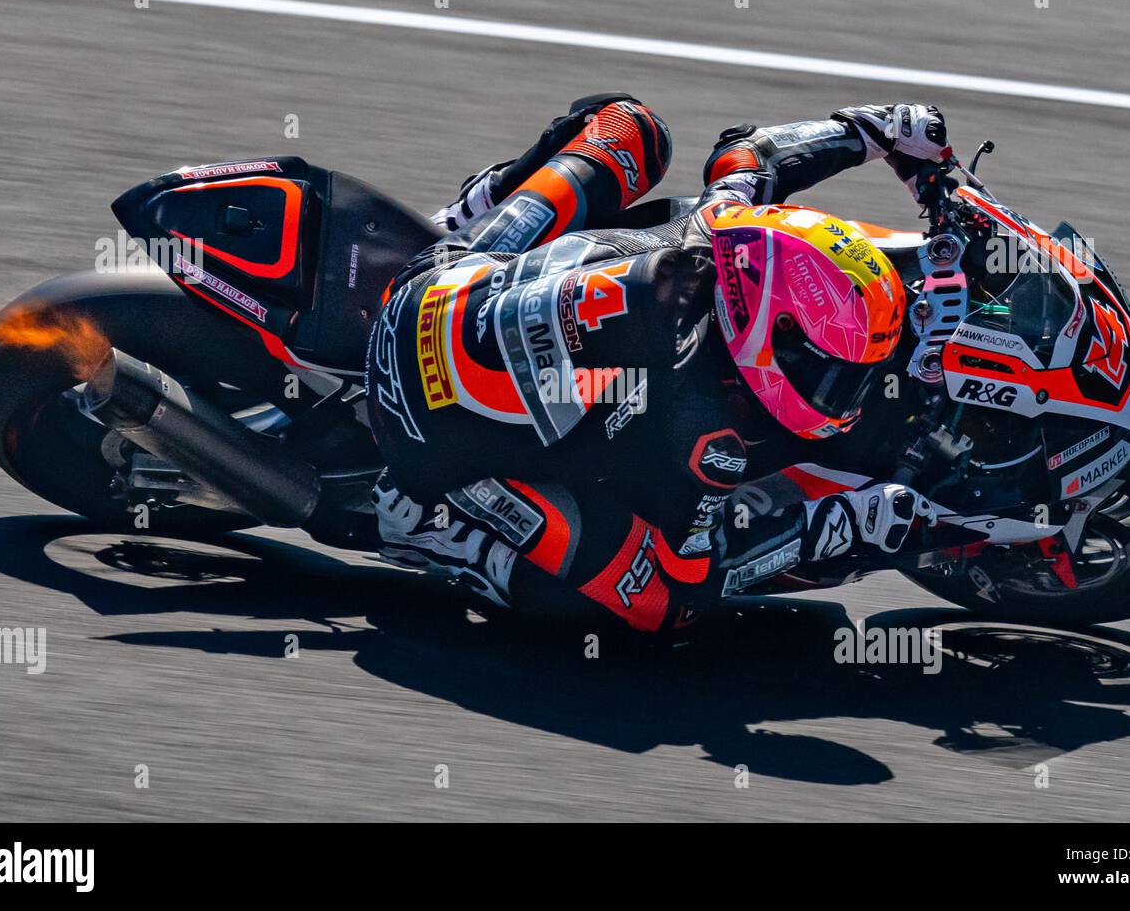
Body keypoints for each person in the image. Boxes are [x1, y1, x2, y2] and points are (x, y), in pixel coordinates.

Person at [364, 94, 944, 633]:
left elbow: (749, 152)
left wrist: (874, 128)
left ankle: (468, 213)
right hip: (420, 438)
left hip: (429, 283)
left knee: (627, 126)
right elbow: (699, 573)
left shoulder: (720, 224)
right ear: (776, 330)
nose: (842, 391)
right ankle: (438, 533)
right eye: (832, 370)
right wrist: (834, 525)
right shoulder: (708, 434)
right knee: (658, 606)